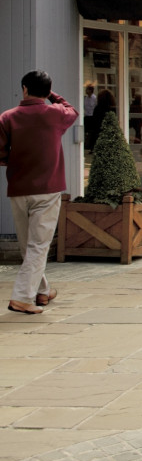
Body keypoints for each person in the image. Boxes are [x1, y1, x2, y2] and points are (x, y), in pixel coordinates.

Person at [2, 71, 78, 314]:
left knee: (28, 245)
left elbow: (0, 155)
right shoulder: (55, 114)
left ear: (24, 89)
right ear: (47, 92)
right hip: (47, 189)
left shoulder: (8, 117)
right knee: (37, 245)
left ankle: (42, 291)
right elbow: (72, 110)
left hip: (18, 188)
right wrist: (51, 95)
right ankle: (22, 298)